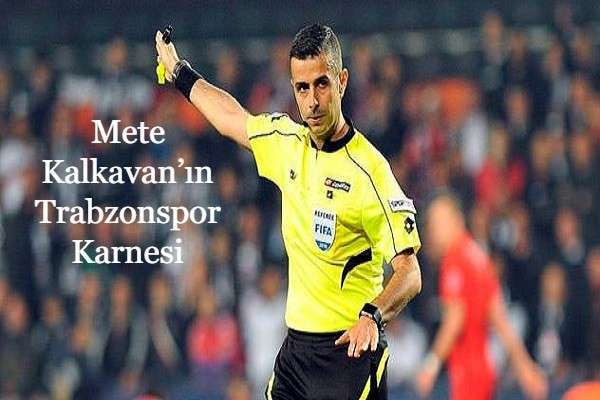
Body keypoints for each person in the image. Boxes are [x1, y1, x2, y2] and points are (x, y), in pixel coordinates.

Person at [155, 23, 422, 399]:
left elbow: (410, 273)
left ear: (342, 81)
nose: (312, 101)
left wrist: (373, 316)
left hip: (349, 354)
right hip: (296, 355)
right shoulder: (287, 144)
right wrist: (179, 71)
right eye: (302, 88)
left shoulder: (370, 171)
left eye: (321, 84)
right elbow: (231, 117)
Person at [415, 193, 547, 399]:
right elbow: (499, 318)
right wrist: (525, 367)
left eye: (438, 223)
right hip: (485, 369)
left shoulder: (455, 260)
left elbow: (455, 319)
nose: (434, 232)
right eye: (432, 225)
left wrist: (431, 365)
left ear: (457, 220)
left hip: (467, 373)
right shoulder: (478, 256)